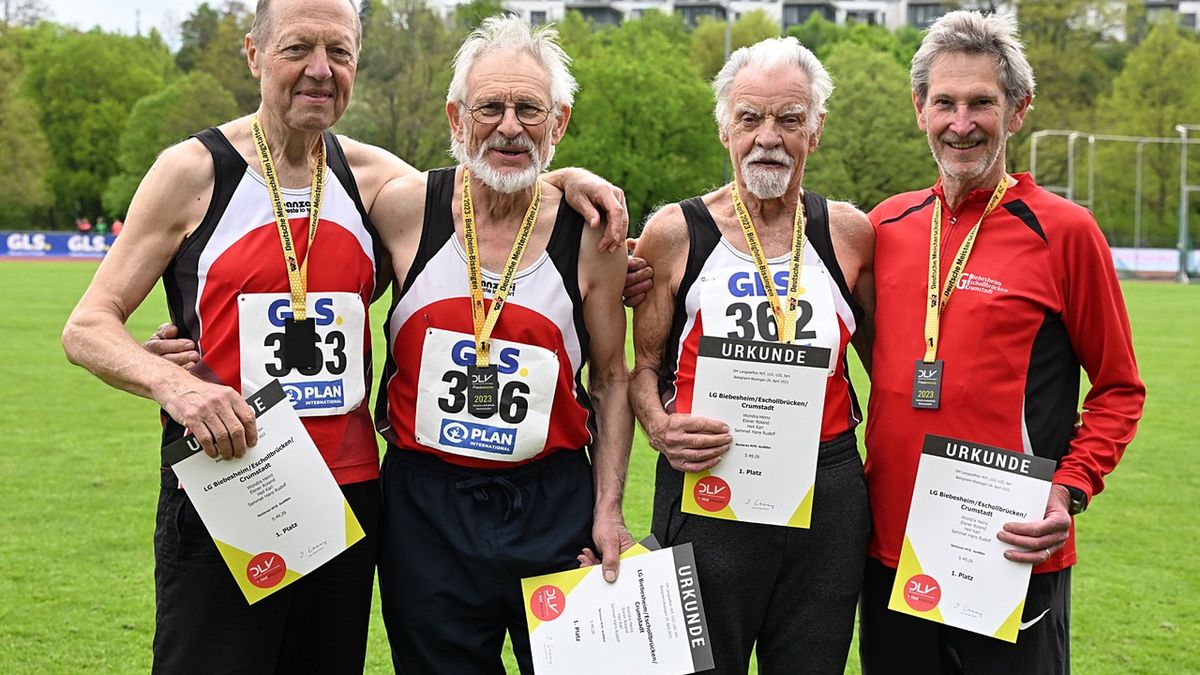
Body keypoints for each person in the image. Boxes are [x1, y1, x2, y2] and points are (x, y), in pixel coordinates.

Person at [62, 0, 625, 672]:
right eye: (297, 48)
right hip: (229, 483)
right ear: (254, 54)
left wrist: (568, 178)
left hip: (345, 497)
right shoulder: (194, 172)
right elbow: (87, 325)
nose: (320, 70)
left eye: (339, 52)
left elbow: (492, 178)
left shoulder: (372, 180)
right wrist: (172, 384)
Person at [858, 11, 1145, 674]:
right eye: (945, 103)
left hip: (1010, 549)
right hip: (891, 549)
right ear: (919, 110)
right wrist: (643, 267)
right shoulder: (886, 225)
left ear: (1018, 110)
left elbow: (1119, 388)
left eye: (981, 102)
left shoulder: (1065, 232)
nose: (961, 123)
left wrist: (1069, 487)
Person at [366, 17, 634, 674]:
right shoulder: (404, 209)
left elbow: (611, 380)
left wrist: (608, 509)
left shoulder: (590, 234)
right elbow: (315, 284)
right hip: (425, 511)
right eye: (490, 107)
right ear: (456, 118)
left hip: (553, 505)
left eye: (529, 110)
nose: (509, 127)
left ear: (558, 123)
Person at [629, 37, 874, 674]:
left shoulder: (849, 234)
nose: (769, 137)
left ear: (816, 129)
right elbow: (643, 370)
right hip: (709, 481)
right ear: (725, 128)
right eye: (749, 118)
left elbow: (892, 370)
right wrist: (659, 427)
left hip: (826, 493)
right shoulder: (675, 233)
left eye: (789, 119)